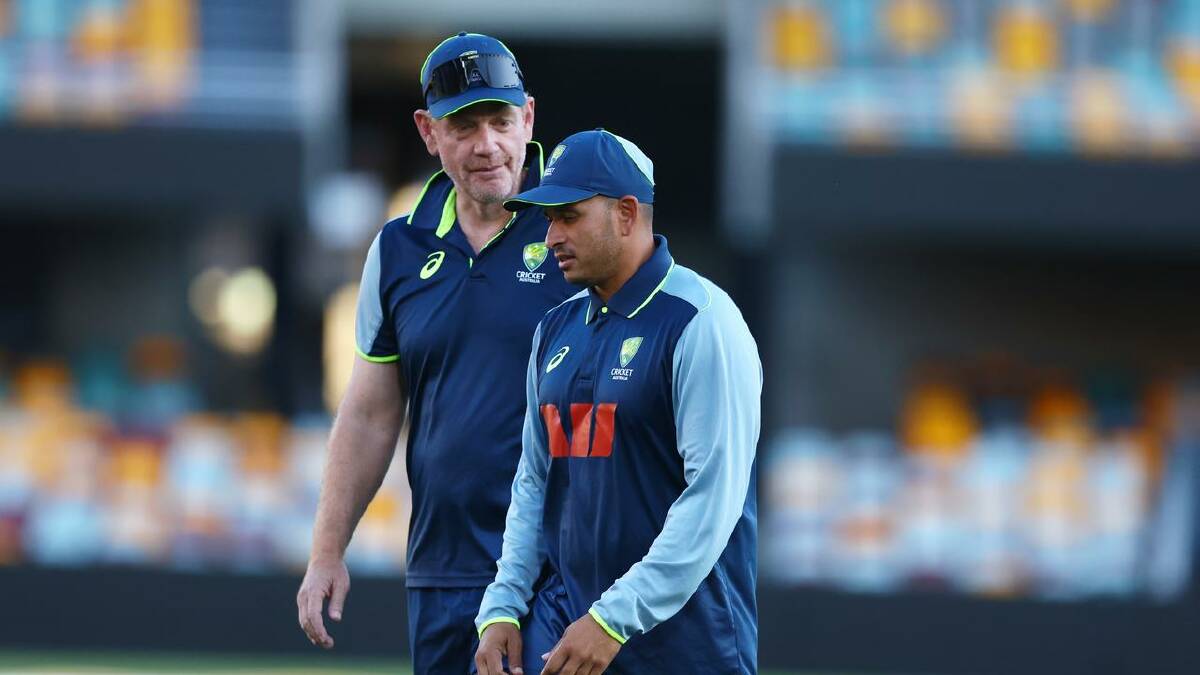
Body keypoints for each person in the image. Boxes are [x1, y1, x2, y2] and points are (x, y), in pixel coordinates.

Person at [296, 32, 577, 673]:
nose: (487, 145)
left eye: (501, 121)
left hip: (555, 573)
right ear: (428, 132)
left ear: (527, 118)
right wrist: (326, 550)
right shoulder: (396, 250)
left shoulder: (574, 230)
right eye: (464, 125)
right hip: (442, 573)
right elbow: (369, 413)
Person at [474, 129, 761, 675]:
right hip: (577, 640)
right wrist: (503, 605)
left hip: (689, 651)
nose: (551, 235)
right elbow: (535, 482)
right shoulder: (553, 331)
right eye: (548, 217)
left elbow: (711, 501)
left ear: (627, 213)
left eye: (570, 215)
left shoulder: (702, 322)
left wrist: (613, 619)